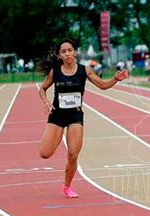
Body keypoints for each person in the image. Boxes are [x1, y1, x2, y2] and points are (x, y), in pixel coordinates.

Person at [37, 38, 128, 198]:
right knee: (45, 153)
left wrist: (115, 79)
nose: (67, 54)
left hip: (75, 115)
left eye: (70, 50)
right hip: (57, 115)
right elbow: (42, 89)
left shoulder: (84, 70)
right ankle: (54, 138)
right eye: (63, 52)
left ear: (75, 52)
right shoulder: (55, 71)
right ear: (59, 55)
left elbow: (102, 85)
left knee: (73, 154)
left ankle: (67, 186)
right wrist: (45, 102)